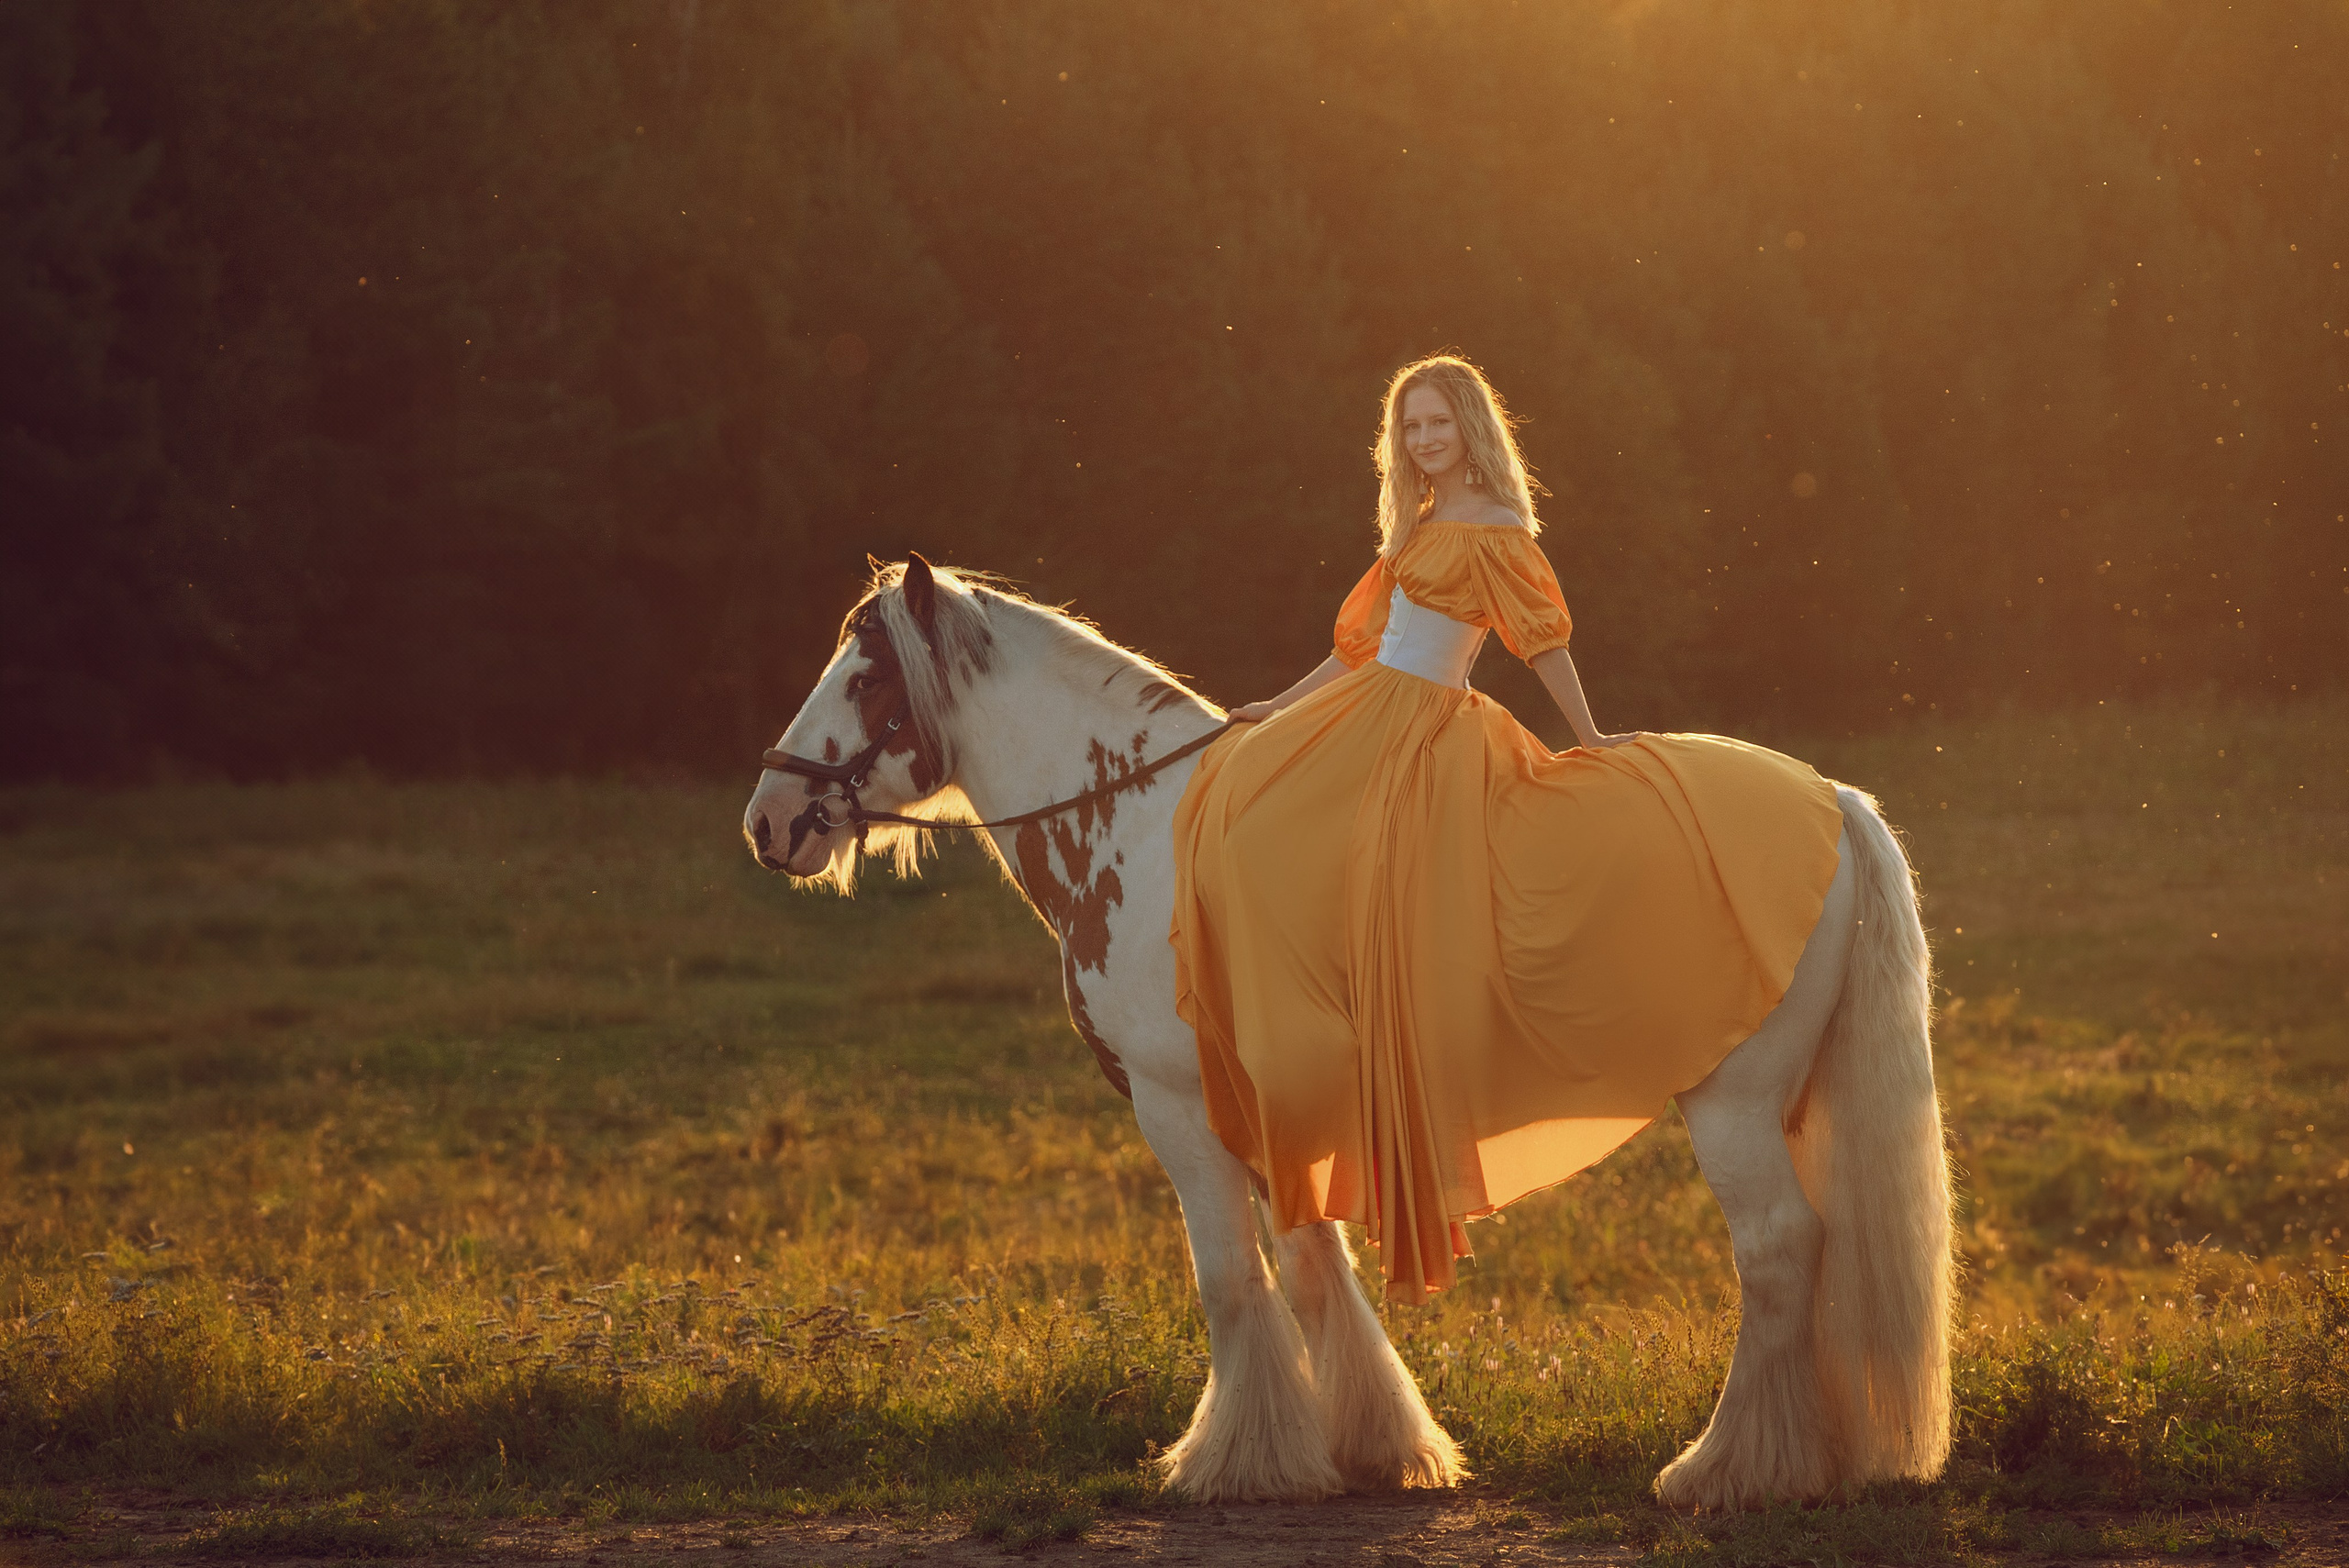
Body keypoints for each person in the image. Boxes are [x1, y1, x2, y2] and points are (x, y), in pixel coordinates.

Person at [1169, 353, 1846, 1298]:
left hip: (1425, 726)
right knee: (1250, 814)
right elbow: (1358, 649)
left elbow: (1542, 640)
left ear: (1471, 428)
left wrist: (1591, 734)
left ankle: (1381, 1043)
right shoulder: (1416, 525)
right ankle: (1305, 1032)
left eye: (1437, 423)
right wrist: (1277, 707)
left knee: (1350, 860)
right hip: (1367, 706)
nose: (1423, 440)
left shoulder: (1493, 527)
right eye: (1410, 427)